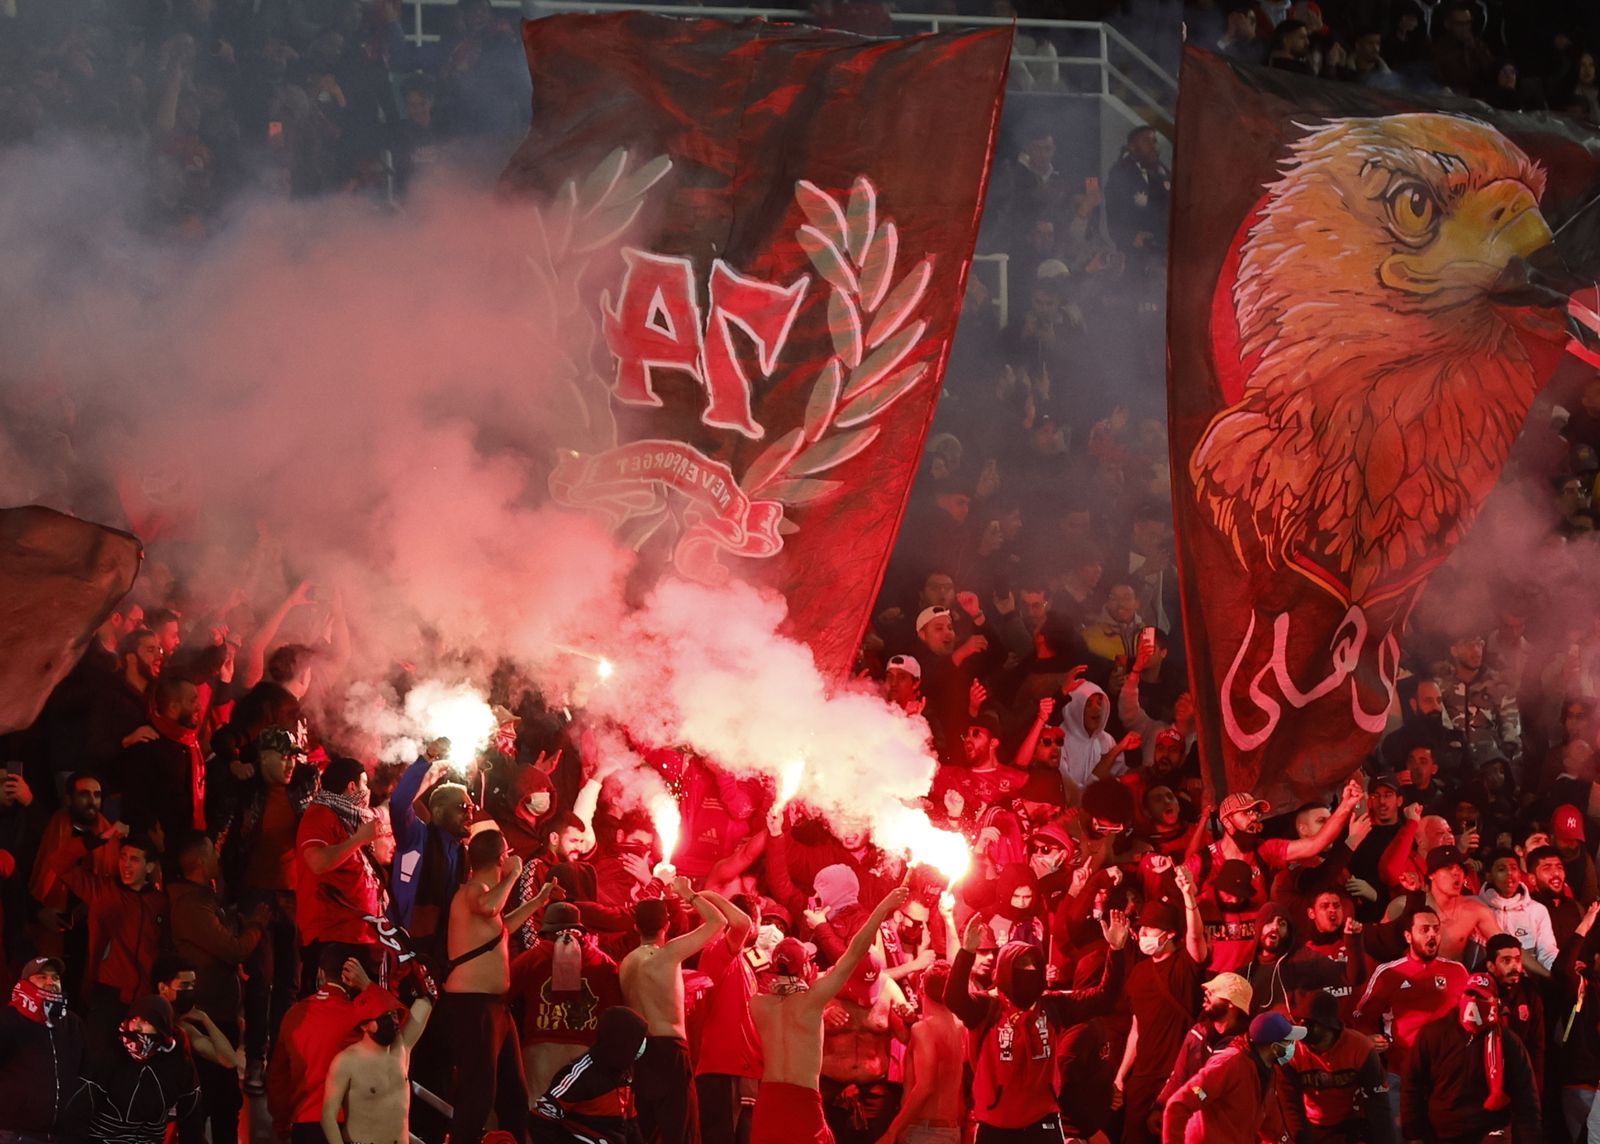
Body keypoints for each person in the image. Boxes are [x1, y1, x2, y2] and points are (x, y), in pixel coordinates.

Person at [749, 882, 910, 1144]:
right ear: (805, 968)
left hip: (768, 1099)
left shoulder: (757, 1003)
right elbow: (855, 952)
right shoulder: (812, 1001)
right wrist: (883, 908)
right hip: (803, 1099)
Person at [434, 826, 547, 1144]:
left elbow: (502, 928)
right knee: (478, 1093)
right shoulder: (473, 889)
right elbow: (488, 907)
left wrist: (539, 900)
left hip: (496, 1007)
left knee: (514, 1092)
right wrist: (514, 876)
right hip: (473, 1005)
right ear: (501, 858)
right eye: (508, 854)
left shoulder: (486, 895)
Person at [618, 879, 730, 1144]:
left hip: (639, 1054)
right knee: (681, 1133)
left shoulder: (627, 963)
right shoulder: (667, 955)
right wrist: (687, 893)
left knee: (644, 1133)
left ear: (636, 926)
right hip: (669, 1051)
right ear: (666, 925)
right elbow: (719, 922)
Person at [1114, 865, 1209, 1143]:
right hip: (1143, 1078)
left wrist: (1188, 896)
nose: (1143, 935)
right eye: (1141, 929)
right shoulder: (1139, 973)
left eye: (1149, 929)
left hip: (1178, 1076)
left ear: (1169, 934)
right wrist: (1121, 1075)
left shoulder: (1185, 966)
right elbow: (1137, 1029)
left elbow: (1195, 937)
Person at [266, 949, 391, 1144]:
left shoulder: (294, 1015)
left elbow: (277, 1079)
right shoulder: (359, 1018)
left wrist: (282, 1127)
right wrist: (368, 986)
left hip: (304, 1125)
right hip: (349, 1127)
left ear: (321, 973)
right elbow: (398, 1029)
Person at [1352, 907, 1469, 1111]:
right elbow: (1361, 1016)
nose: (1432, 934)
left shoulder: (1457, 972)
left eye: (1436, 929)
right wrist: (1369, 1038)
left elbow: (1471, 1017)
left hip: (1449, 1076)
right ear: (1408, 936)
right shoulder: (1388, 973)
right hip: (1402, 1074)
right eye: (1424, 929)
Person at [509, 898, 623, 1104]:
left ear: (547, 931)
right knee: (579, 1114)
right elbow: (616, 1008)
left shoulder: (532, 958)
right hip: (585, 1054)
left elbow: (504, 991)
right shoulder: (603, 962)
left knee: (539, 1113)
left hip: (540, 1051)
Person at [1402, 973, 1540, 1142]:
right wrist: (1413, 1132)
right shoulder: (1434, 1034)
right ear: (1461, 997)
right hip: (1443, 1131)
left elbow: (1526, 1096)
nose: (1473, 1001)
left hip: (1490, 1127)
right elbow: (1412, 1083)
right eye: (1470, 994)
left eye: (1481, 997)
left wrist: (1529, 1138)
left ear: (1494, 1002)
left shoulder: (1508, 1042)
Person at [294, 756, 385, 986]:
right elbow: (317, 862)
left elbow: (391, 808)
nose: (368, 791)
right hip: (332, 937)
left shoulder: (352, 817)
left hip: (358, 934)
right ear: (352, 786)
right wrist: (359, 839)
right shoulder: (320, 814)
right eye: (365, 784)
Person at [71, 995, 204, 1144]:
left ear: (162, 1027)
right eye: (134, 1019)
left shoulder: (178, 1061)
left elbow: (192, 1117)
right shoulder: (109, 1055)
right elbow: (78, 1112)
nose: (137, 1027)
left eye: (146, 1022)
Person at [1161, 1010, 1306, 1143]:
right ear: (1274, 1048)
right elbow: (1181, 1102)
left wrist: (1284, 1141)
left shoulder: (1267, 1072)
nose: (1293, 1046)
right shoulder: (1230, 1064)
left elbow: (1273, 1127)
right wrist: (1202, 1094)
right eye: (1289, 1042)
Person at [320, 984, 433, 1144]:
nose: (392, 1021)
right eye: (384, 1017)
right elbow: (328, 1116)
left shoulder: (400, 1048)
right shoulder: (347, 1062)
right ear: (364, 1025)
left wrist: (427, 985)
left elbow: (424, 1005)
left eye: (394, 1015)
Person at [1281, 990, 1393, 1143]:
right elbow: (1289, 1104)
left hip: (1352, 1122)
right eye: (1298, 1020)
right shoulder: (1291, 1051)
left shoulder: (1360, 1048)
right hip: (1309, 1124)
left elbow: (1378, 1101)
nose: (1300, 1027)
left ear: (1327, 1025)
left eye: (1308, 1022)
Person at [874, 959, 965, 1144]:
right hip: (950, 1129)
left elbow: (925, 1087)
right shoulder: (960, 1026)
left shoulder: (924, 1030)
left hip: (925, 1131)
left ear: (921, 986)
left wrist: (892, 1131)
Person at [532, 1005, 650, 1144]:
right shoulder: (581, 1075)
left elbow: (630, 1124)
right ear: (621, 1041)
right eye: (637, 1040)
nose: (641, 1045)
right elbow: (540, 1118)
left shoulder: (624, 1074)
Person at [0, 956, 84, 1143]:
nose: (51, 982)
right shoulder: (7, 1018)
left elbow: (82, 1072)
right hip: (13, 1133)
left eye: (55, 978)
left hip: (60, 1135)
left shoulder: (73, 1023)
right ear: (25, 983)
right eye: (42, 977)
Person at [1154, 971, 1253, 1125]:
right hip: (1189, 1124)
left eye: (1215, 991)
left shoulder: (1242, 1051)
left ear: (1232, 1003)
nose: (1206, 993)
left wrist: (1194, 1091)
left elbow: (1211, 1096)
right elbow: (1179, 1077)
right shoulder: (1197, 1034)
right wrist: (1159, 1107)